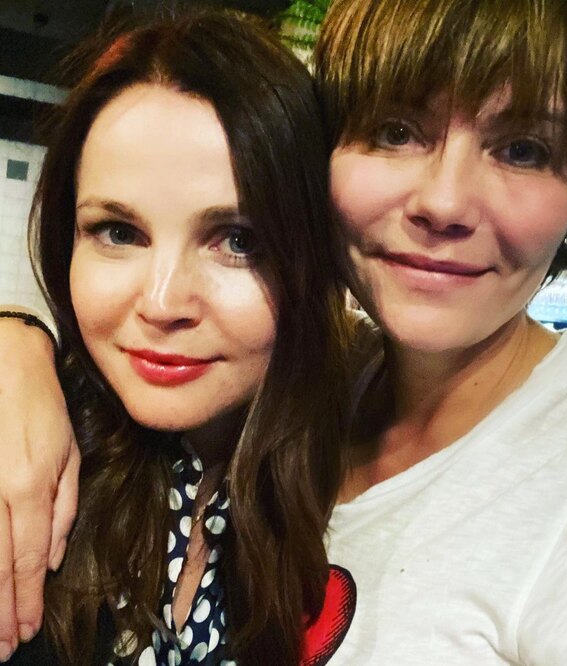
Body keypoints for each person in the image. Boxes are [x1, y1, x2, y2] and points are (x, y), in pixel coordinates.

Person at [3, 0, 567, 663]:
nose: (444, 203)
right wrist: (21, 345)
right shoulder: (298, 387)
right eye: (397, 132)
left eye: (523, 150)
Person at [1, 9, 350, 665]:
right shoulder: (26, 462)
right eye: (118, 232)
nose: (162, 304)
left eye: (237, 241)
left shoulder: (368, 465)